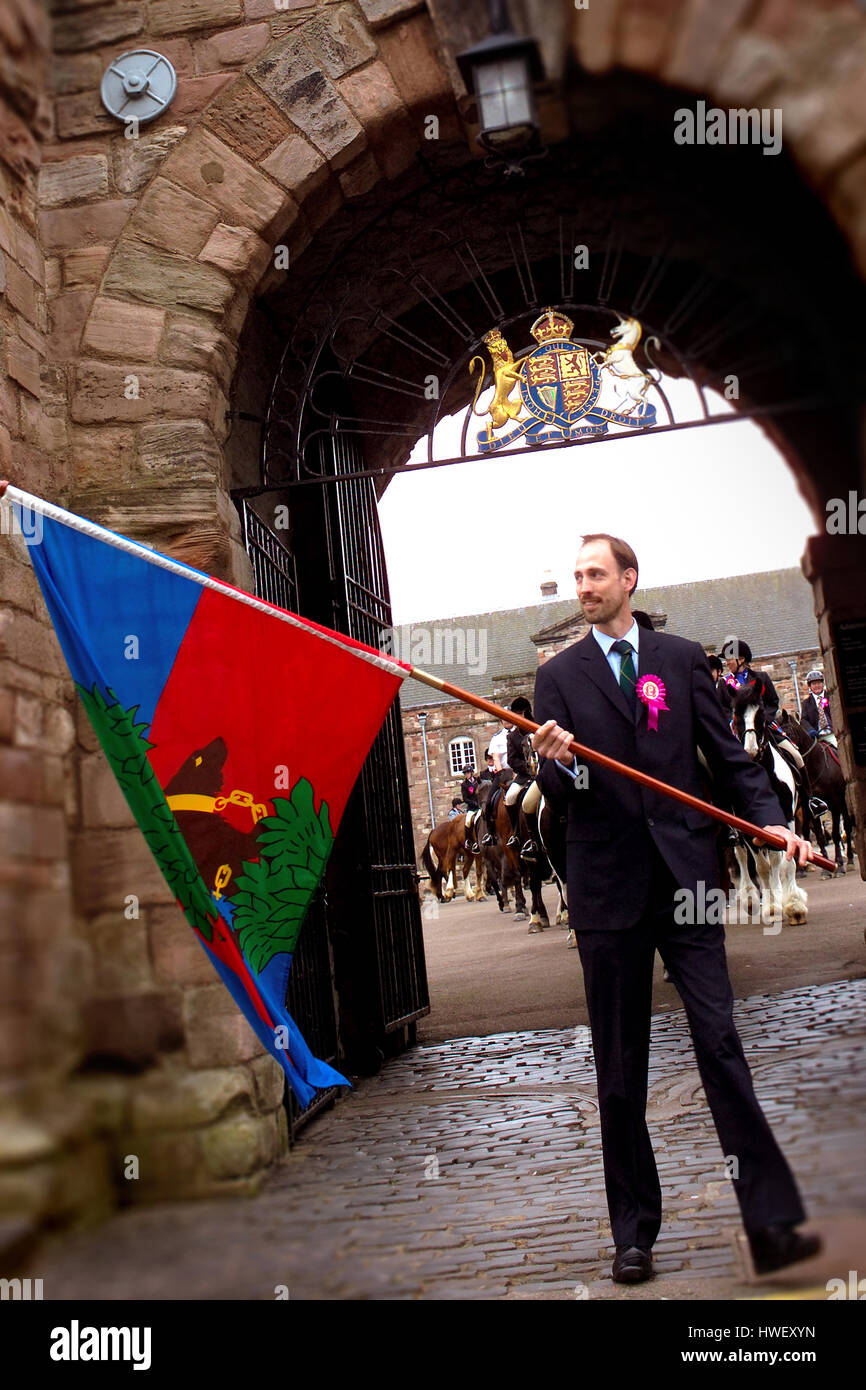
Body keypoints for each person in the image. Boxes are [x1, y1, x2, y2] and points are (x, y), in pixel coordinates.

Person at [532, 533, 819, 1286]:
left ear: (630, 579)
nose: (583, 585)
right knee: (619, 1069)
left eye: (596, 574)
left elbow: (727, 756)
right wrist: (557, 765)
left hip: (687, 878)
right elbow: (567, 799)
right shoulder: (557, 678)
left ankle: (773, 1223)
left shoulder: (682, 657)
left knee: (721, 1045)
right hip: (607, 891)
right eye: (577, 576)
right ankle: (634, 1233)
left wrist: (773, 818)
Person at [719, 636, 804, 770]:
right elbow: (722, 708)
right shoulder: (724, 683)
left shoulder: (761, 678)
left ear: (741, 659)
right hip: (738, 730)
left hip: (764, 727)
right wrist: (736, 722)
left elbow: (773, 702)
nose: (727, 663)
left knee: (796, 756)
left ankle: (807, 791)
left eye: (729, 659)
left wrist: (764, 719)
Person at [503, 697, 540, 851]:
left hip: (544, 773)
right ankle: (518, 835)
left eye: (518, 714)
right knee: (510, 797)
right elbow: (511, 760)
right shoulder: (512, 736)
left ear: (525, 713)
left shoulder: (539, 728)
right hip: (524, 776)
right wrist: (528, 767)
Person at [801, 669, 837, 746]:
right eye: (814, 684)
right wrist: (810, 730)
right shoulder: (806, 703)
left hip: (832, 733)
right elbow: (804, 720)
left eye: (819, 683)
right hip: (816, 736)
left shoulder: (832, 696)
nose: (817, 686)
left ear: (822, 683)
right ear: (810, 686)